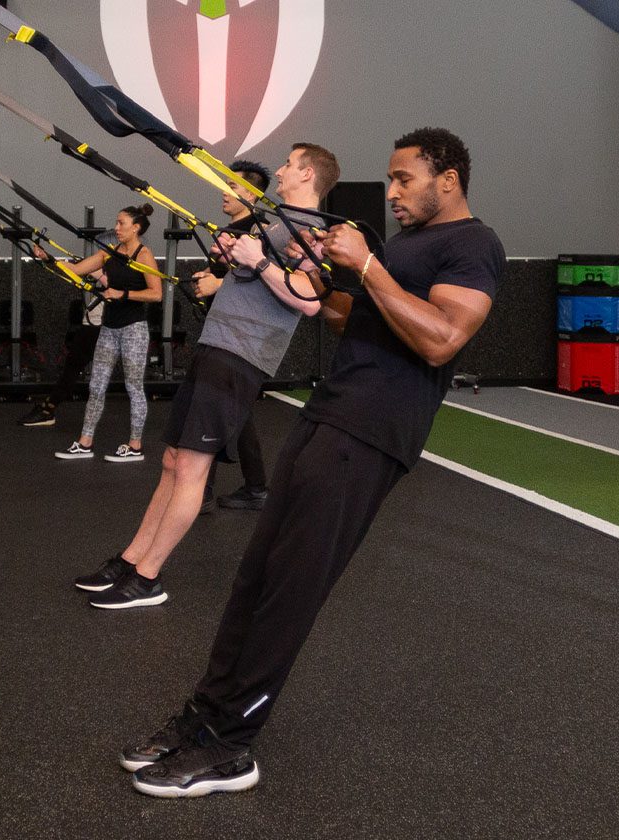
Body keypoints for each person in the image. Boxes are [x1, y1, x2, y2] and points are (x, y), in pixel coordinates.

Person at [120, 127, 506, 797]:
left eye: (403, 180)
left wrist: (369, 267)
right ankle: (205, 716)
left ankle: (231, 747)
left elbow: (442, 339)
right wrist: (305, 268)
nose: (390, 192)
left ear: (448, 180)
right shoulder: (405, 244)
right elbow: (346, 315)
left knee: (290, 591)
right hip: (326, 413)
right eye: (389, 179)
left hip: (372, 431)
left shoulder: (474, 245)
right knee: (257, 577)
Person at [75, 143, 340, 608]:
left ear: (307, 174)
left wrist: (256, 260)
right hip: (216, 346)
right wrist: (233, 256)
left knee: (193, 468)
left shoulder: (311, 231)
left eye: (288, 163)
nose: (279, 169)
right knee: (174, 461)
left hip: (241, 354)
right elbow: (256, 275)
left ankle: (148, 578)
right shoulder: (277, 223)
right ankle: (132, 558)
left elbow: (310, 299)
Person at [34, 204, 162, 462]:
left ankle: (135, 446)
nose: (116, 228)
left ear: (135, 227)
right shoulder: (110, 253)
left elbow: (156, 294)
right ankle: (85, 442)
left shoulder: (144, 255)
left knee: (134, 387)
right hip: (109, 328)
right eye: (116, 223)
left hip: (134, 330)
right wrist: (48, 259)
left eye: (121, 223)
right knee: (96, 386)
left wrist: (122, 294)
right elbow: (77, 269)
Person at [194, 160, 272, 516]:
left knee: (211, 408)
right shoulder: (229, 229)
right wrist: (208, 279)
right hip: (221, 328)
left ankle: (202, 491)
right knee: (235, 412)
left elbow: (266, 281)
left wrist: (219, 282)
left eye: (233, 187)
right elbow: (227, 274)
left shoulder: (263, 232)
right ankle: (255, 488)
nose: (225, 192)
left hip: (241, 336)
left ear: (251, 195)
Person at [16, 289, 103, 428]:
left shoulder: (111, 269)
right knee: (73, 365)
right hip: (96, 321)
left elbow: (96, 274)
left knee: (74, 366)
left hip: (103, 323)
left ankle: (48, 410)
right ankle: (48, 409)